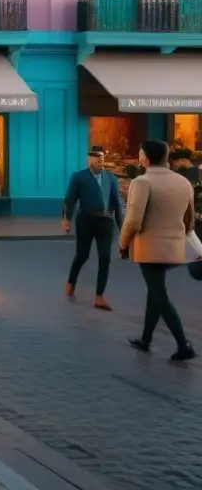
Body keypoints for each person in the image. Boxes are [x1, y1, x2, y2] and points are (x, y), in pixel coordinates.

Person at [120, 139, 197, 361]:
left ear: (147, 157)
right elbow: (189, 221)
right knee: (155, 290)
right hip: (174, 248)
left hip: (150, 248)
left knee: (159, 295)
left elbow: (133, 221)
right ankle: (145, 339)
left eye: (141, 153)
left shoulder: (142, 182)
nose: (139, 157)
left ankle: (184, 344)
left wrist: (123, 244)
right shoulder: (184, 183)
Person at [61, 145, 125, 310]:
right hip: (86, 220)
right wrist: (66, 219)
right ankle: (71, 281)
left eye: (102, 158)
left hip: (106, 222)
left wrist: (122, 227)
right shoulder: (79, 177)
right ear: (89, 160)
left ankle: (99, 297)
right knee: (82, 255)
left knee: (105, 258)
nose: (100, 161)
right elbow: (70, 199)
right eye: (96, 158)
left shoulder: (111, 178)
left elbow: (117, 203)